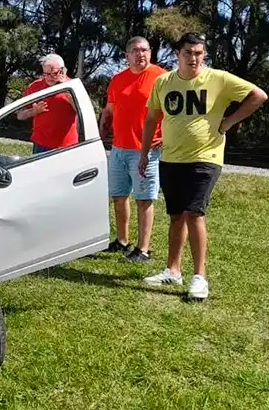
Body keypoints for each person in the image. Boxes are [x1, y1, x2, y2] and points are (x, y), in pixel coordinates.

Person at [139, 32, 267, 299]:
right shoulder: (163, 82)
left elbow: (258, 95)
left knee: (194, 213)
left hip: (205, 158)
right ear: (177, 54)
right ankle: (173, 271)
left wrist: (229, 122)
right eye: (188, 53)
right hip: (170, 158)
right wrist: (143, 154)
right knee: (175, 215)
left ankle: (200, 278)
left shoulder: (218, 79)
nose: (194, 58)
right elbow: (152, 118)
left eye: (199, 53)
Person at [99, 36, 168, 262]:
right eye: (136, 51)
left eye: (145, 50)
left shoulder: (162, 77)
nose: (141, 54)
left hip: (145, 150)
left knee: (144, 199)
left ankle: (143, 249)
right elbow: (109, 111)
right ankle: (121, 241)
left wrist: (166, 136)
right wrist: (99, 138)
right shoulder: (118, 79)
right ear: (126, 55)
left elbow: (175, 113)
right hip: (118, 148)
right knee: (119, 197)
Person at [16, 53, 79, 154]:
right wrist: (34, 111)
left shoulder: (73, 87)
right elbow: (20, 115)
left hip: (65, 146)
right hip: (40, 144)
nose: (48, 78)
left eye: (53, 73)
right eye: (45, 74)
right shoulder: (35, 86)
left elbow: (83, 112)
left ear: (62, 71)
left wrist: (67, 90)